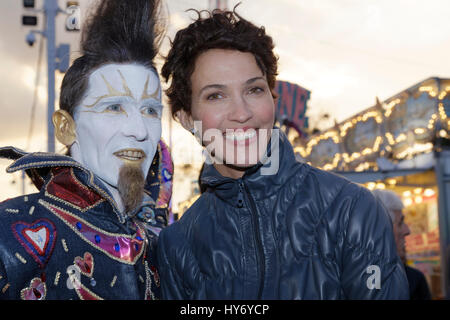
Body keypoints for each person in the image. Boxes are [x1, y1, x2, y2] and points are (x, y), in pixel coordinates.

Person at [157, 7, 409, 299]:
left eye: (254, 90)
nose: (242, 113)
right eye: (216, 95)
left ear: (272, 97)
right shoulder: (178, 245)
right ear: (187, 118)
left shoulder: (351, 209)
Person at [0, 0, 172, 300]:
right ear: (67, 128)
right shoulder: (8, 232)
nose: (140, 130)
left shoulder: (160, 249)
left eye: (150, 110)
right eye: (115, 107)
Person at [372, 189, 432, 300]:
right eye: (400, 223)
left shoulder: (348, 278)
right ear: (383, 230)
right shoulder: (411, 281)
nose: (407, 230)